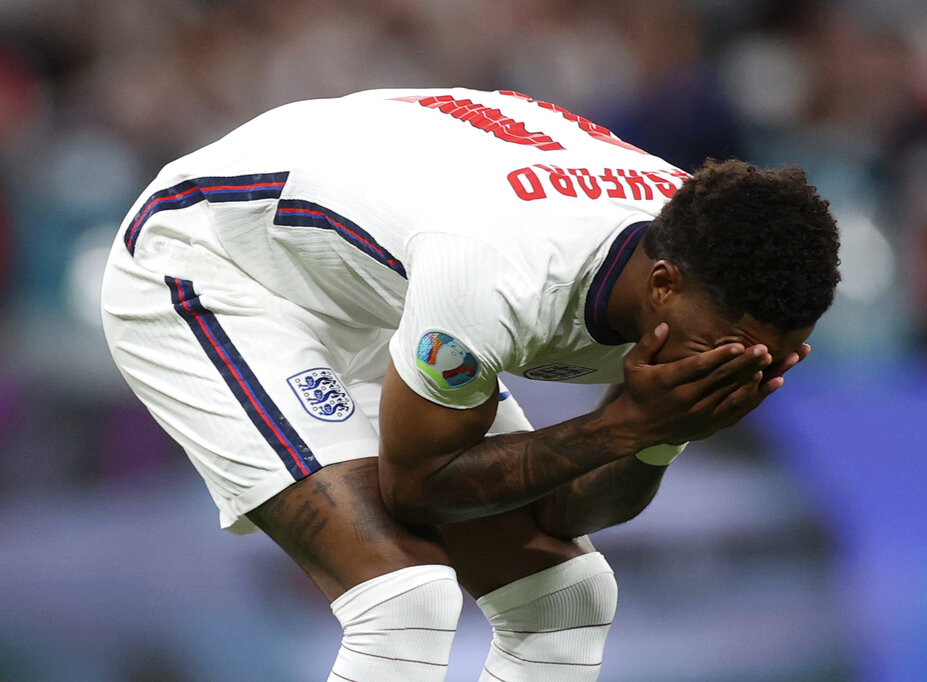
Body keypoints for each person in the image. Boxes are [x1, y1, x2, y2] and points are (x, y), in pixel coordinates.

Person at [101, 87, 840, 681]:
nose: (743, 368)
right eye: (728, 350)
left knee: (565, 602)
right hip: (210, 259)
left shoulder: (703, 254)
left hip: (367, 279)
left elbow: (554, 511)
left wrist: (661, 433)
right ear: (662, 286)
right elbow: (417, 488)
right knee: (403, 599)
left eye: (774, 359)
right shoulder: (501, 271)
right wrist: (626, 427)